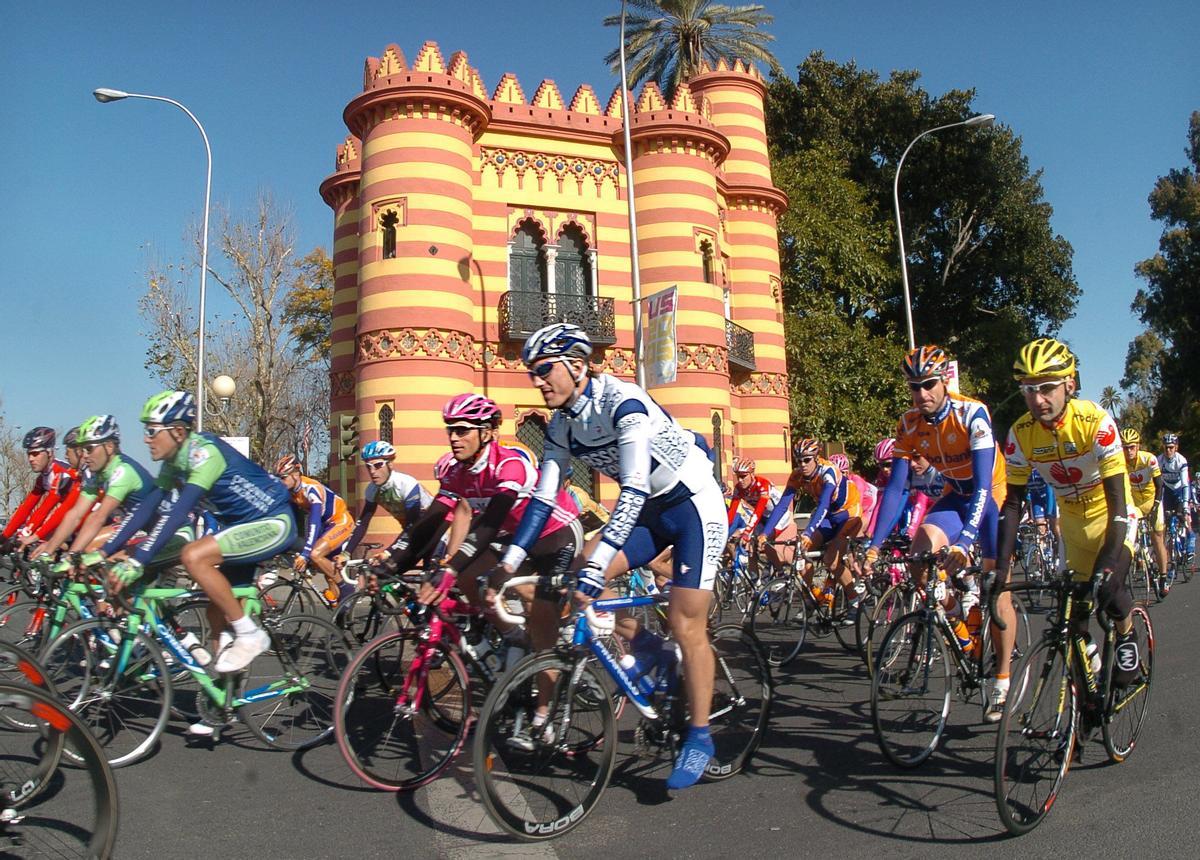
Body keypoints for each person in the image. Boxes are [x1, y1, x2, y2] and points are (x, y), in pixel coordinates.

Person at [504, 322, 727, 790]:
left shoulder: (623, 405)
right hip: (650, 510)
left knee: (687, 623)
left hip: (692, 504)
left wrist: (600, 560)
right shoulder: (562, 423)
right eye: (532, 373)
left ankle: (701, 737)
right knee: (587, 566)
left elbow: (632, 488)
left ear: (578, 366)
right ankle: (648, 648)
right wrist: (508, 562)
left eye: (545, 370)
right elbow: (543, 497)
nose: (537, 381)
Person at [101, 391, 296, 678]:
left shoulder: (204, 453)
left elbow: (178, 511)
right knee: (216, 614)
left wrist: (138, 561)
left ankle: (251, 634)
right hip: (242, 528)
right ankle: (222, 702)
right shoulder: (173, 463)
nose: (145, 438)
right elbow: (147, 508)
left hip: (272, 522)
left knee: (193, 556)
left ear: (178, 431)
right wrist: (103, 552)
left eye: (152, 431)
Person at [865, 345, 1012, 720]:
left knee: (997, 591)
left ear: (944, 380)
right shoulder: (909, 424)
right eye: (914, 387)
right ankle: (962, 629)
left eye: (928, 384)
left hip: (991, 499)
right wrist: (873, 545)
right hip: (954, 496)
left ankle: (1002, 678)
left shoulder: (972, 414)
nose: (922, 394)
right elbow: (897, 489)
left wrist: (965, 542)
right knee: (918, 558)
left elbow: (982, 488)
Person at [995, 339, 1141, 699]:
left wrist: (1108, 564)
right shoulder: (1020, 434)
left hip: (1112, 516)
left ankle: (1127, 635)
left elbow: (1119, 503)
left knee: (1109, 590)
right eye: (1028, 390)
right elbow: (1012, 506)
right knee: (1071, 618)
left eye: (1047, 388)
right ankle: (1084, 699)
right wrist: (999, 570)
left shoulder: (1096, 422)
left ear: (1070, 385)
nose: (1038, 399)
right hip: (1072, 525)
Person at [761, 440, 862, 619]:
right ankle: (812, 597)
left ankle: (854, 600)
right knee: (800, 550)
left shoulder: (827, 471)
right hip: (829, 517)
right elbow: (783, 505)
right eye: (798, 461)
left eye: (807, 460)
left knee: (831, 560)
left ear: (816, 458)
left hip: (849, 515)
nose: (802, 465)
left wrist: (808, 532)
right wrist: (764, 533)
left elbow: (823, 503)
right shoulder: (797, 475)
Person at [37, 415, 156, 557]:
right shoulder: (97, 474)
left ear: (109, 447)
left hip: (159, 529)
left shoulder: (123, 471)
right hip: (136, 524)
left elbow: (99, 517)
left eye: (89, 449)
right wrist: (48, 550)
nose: (85, 456)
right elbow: (75, 514)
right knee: (86, 553)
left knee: (93, 551)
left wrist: (70, 557)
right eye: (82, 450)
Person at [273, 454, 356, 604]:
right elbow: (291, 522)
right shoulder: (291, 493)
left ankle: (347, 589)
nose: (281, 482)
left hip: (340, 521)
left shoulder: (311, 489)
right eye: (278, 478)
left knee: (315, 554)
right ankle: (341, 610)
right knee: (328, 574)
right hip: (326, 526)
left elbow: (314, 521)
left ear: (296, 474)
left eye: (283, 477)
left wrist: (305, 553)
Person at [345, 440, 432, 558]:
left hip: (432, 532)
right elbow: (362, 524)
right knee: (376, 573)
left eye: (378, 465)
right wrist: (345, 553)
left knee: (432, 573)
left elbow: (414, 523)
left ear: (390, 464)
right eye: (368, 466)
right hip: (409, 537)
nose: (372, 471)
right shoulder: (372, 490)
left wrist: (389, 552)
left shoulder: (406, 484)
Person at [2, 427, 80, 555]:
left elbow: (45, 509)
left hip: (85, 521)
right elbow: (26, 507)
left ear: (49, 452)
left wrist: (27, 533)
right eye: (29, 454)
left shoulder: (61, 473)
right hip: (71, 522)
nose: (31, 459)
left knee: (45, 546)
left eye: (35, 454)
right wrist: (4, 536)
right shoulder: (43, 477)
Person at [1122, 428, 1170, 593]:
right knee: (1128, 537)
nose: (1128, 451)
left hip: (1152, 500)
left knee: (1157, 537)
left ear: (1138, 446)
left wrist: (1156, 506)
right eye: (1125, 447)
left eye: (1132, 447)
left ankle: (1163, 577)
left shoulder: (1148, 459)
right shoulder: (1120, 462)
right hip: (1135, 503)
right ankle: (1140, 556)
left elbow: (1159, 485)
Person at [726, 458, 794, 567]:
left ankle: (780, 572)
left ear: (752, 474)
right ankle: (754, 579)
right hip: (762, 517)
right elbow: (731, 513)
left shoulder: (762, 484)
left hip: (779, 517)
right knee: (750, 546)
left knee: (764, 543)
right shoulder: (739, 488)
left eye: (743, 476)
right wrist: (724, 530)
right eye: (738, 476)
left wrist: (747, 532)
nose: (740, 480)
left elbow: (759, 510)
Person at [867, 437, 935, 541]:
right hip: (909, 508)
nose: (885, 469)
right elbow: (880, 505)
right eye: (881, 465)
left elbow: (920, 504)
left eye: (889, 464)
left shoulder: (916, 473)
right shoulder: (882, 476)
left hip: (930, 507)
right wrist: (870, 533)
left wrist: (910, 533)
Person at [1158, 433, 1193, 558]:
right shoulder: (1159, 460)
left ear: (1176, 447)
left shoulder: (1181, 460)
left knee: (1183, 517)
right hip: (1167, 492)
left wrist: (1185, 504)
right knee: (1163, 523)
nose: (1168, 450)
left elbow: (1185, 484)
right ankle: (1168, 554)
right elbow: (1157, 484)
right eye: (1166, 447)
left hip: (1179, 491)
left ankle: (1190, 537)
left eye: (1171, 447)